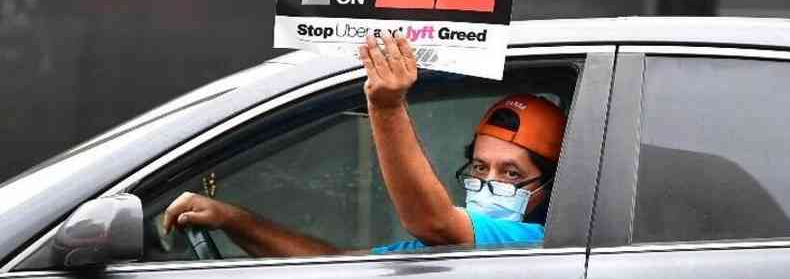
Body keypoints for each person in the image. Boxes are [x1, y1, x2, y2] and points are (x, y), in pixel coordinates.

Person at [162, 32, 567, 256]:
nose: (487, 183)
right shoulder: (438, 251)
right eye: (479, 168)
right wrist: (232, 219)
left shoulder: (535, 244)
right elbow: (330, 267)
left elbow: (435, 221)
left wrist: (386, 106)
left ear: (547, 190)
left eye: (511, 173)